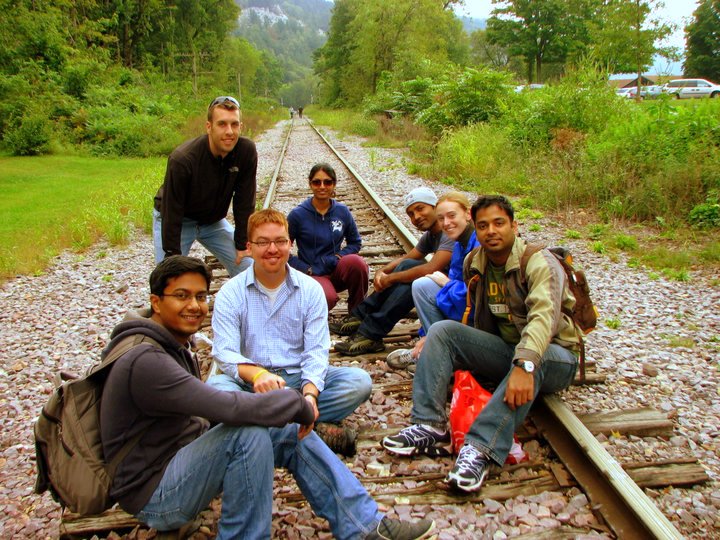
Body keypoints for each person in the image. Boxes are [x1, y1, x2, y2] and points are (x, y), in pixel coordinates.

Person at [100, 255, 435, 540]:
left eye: (201, 296)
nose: (194, 306)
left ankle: (363, 526)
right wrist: (297, 405)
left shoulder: (168, 344)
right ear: (156, 302)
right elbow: (225, 406)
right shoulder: (146, 360)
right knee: (248, 429)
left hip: (181, 462)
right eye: (181, 296)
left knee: (278, 430)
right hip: (157, 496)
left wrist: (293, 407)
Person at [382, 195, 581, 493]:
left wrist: (524, 364)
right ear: (476, 227)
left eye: (499, 223)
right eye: (484, 225)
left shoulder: (539, 263)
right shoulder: (475, 262)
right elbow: (472, 316)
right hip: (507, 348)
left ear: (514, 225)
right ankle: (429, 425)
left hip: (555, 356)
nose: (491, 231)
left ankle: (480, 448)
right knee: (441, 331)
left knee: (531, 360)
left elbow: (543, 319)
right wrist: (442, 349)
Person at [210, 208, 372, 455]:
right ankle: (310, 431)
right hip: (251, 385)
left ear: (289, 244)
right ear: (249, 247)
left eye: (280, 241)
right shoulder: (231, 293)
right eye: (263, 242)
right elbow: (225, 352)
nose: (272, 249)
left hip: (297, 379)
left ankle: (264, 427)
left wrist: (309, 397)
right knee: (215, 391)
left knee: (358, 382)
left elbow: (316, 352)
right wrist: (257, 375)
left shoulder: (310, 289)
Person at [333, 187, 454, 356]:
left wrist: (391, 279)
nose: (416, 217)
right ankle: (361, 317)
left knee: (415, 281)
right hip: (445, 288)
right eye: (411, 214)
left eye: (420, 209)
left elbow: (430, 268)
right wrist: (382, 271)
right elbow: (407, 259)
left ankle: (370, 334)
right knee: (409, 265)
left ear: (435, 207)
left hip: (458, 294)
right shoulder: (432, 234)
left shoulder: (449, 231)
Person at [152, 96, 256, 277]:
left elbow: (244, 201)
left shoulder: (246, 151)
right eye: (222, 124)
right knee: (168, 279)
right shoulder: (183, 159)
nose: (229, 131)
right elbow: (172, 211)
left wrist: (241, 244)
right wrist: (172, 257)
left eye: (234, 124)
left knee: (249, 268)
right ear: (209, 127)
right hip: (177, 220)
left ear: (241, 126)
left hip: (212, 222)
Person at [386, 191, 480, 370]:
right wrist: (425, 333)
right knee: (423, 285)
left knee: (428, 284)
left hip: (481, 320)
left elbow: (474, 299)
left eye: (452, 216)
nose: (446, 223)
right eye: (441, 218)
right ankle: (431, 347)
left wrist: (447, 284)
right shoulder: (460, 244)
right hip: (467, 309)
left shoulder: (477, 245)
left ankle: (438, 355)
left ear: (468, 214)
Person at [288, 163, 369, 313]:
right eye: (317, 182)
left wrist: (338, 256)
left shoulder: (342, 211)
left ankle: (357, 315)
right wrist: (305, 269)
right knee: (326, 298)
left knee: (358, 263)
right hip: (313, 274)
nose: (322, 186)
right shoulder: (297, 215)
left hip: (335, 268)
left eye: (327, 182)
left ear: (334, 184)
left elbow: (355, 242)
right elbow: (283, 250)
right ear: (310, 184)